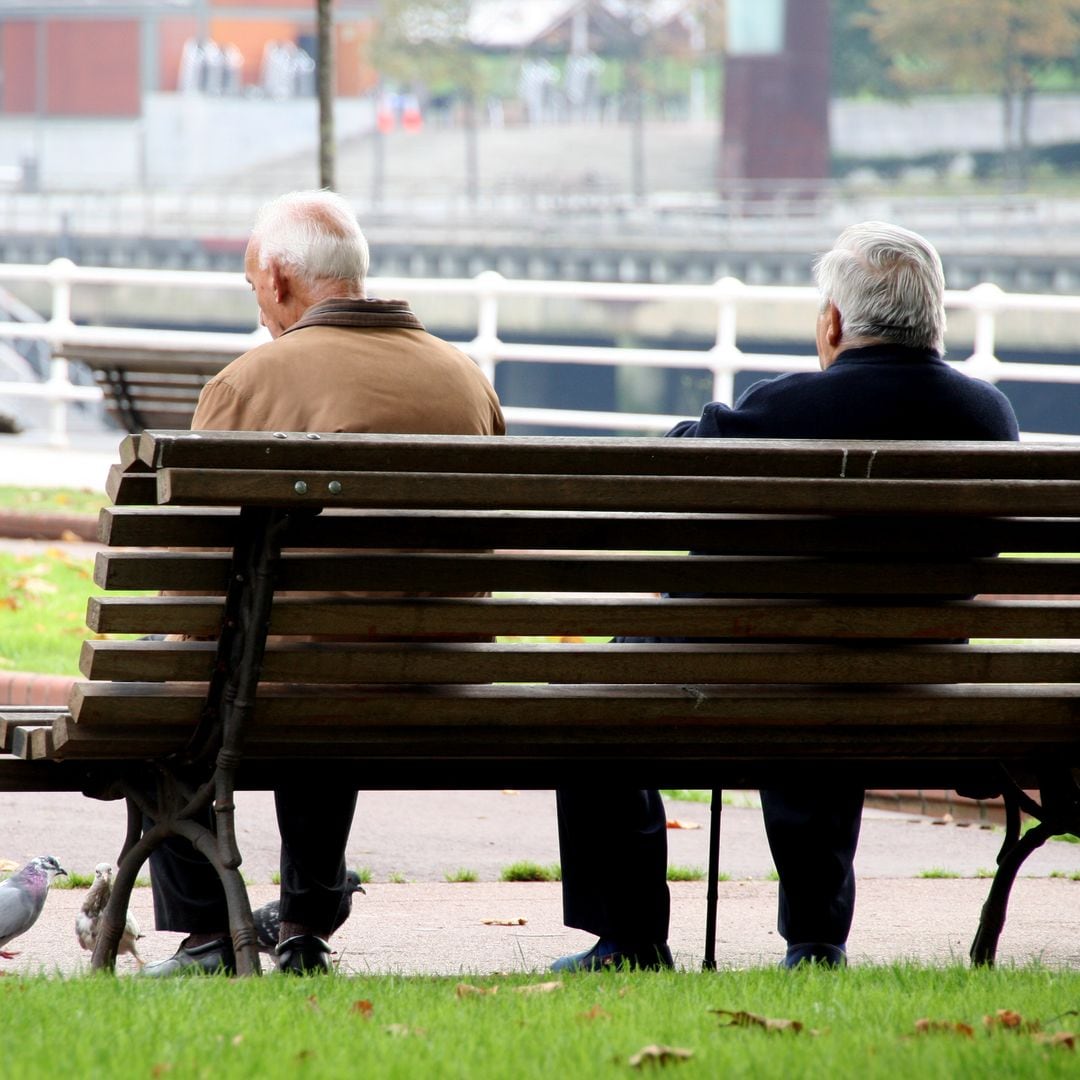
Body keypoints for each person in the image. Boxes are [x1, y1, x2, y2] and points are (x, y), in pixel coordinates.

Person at [552, 220, 1020, 973]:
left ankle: (631, 936)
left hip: (765, 671)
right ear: (935, 321)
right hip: (919, 677)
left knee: (590, 691)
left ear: (833, 323)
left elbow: (664, 476)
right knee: (824, 663)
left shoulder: (781, 410)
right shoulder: (988, 419)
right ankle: (815, 939)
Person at [142, 189, 505, 976]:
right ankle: (307, 921)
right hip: (440, 681)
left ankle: (207, 935)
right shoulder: (467, 382)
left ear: (277, 277)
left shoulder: (249, 384)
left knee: (178, 671)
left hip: (289, 691)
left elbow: (193, 589)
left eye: (252, 288)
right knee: (325, 645)